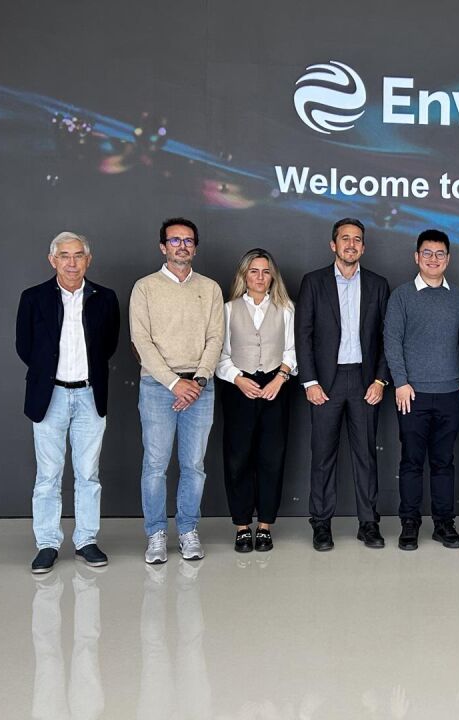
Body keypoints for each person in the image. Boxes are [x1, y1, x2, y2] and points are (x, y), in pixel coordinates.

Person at [16, 231, 120, 573]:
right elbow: (24, 346)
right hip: (50, 396)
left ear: (88, 260)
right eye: (64, 255)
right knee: (48, 475)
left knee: (89, 473)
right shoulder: (33, 298)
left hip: (90, 394)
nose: (72, 263)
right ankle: (47, 543)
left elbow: (109, 345)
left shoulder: (105, 298)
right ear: (52, 260)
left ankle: (86, 540)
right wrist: (50, 373)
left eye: (78, 255)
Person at [129, 217, 225, 564]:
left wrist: (197, 381)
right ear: (162, 247)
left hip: (200, 388)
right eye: (174, 240)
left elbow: (216, 338)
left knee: (194, 465)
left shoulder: (210, 289)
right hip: (158, 387)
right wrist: (173, 383)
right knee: (155, 465)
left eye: (188, 241)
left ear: (195, 248)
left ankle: (187, 530)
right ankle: (156, 534)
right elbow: (141, 341)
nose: (181, 246)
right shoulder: (145, 288)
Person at [296, 218, 391, 551]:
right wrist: (309, 381)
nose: (351, 244)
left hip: (365, 382)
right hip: (326, 382)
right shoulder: (313, 282)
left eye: (357, 239)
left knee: (366, 455)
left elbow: (387, 337)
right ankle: (321, 524)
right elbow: (303, 334)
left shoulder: (378, 284)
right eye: (345, 238)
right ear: (333, 245)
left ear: (363, 247)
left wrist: (381, 380)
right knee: (323, 455)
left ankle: (368, 524)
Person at [383, 229, 459, 551]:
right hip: (412, 394)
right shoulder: (402, 296)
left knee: (443, 463)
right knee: (411, 461)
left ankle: (444, 524)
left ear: (448, 259)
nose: (433, 259)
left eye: (439, 254)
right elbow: (392, 341)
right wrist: (401, 382)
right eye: (427, 253)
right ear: (416, 257)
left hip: (450, 393)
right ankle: (409, 524)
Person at [216, 248, 297, 554]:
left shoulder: (285, 308)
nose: (260, 277)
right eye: (253, 271)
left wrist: (280, 378)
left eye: (265, 271)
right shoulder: (228, 309)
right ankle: (241, 525)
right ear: (244, 275)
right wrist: (237, 378)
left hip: (276, 386)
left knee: (271, 457)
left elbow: (292, 350)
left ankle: (264, 525)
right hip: (238, 387)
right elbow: (220, 353)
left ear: (273, 276)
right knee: (237, 458)